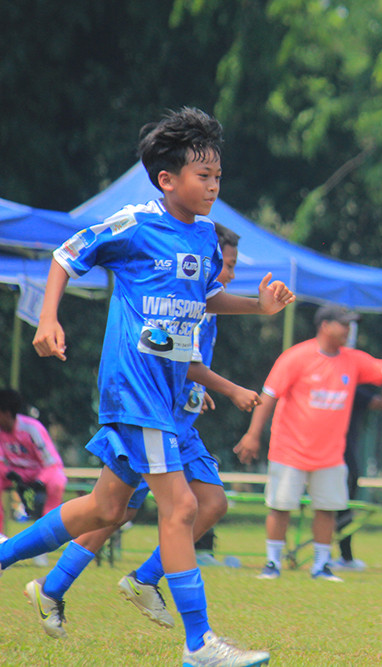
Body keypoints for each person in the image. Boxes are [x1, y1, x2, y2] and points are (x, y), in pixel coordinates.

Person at [11, 107, 294, 667]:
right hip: (135, 387)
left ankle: (8, 558)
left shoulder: (209, 237)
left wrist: (254, 306)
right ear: (167, 180)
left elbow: (204, 299)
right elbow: (67, 256)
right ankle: (198, 644)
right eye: (202, 176)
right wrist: (48, 320)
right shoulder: (136, 223)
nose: (214, 186)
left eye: (218, 176)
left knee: (104, 507)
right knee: (184, 504)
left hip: (165, 394)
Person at [25, 222, 259, 640]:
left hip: (175, 420)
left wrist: (196, 387)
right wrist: (229, 388)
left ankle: (131, 580)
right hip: (149, 412)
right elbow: (165, 349)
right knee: (125, 509)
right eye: (227, 265)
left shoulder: (205, 308)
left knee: (198, 503)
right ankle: (186, 628)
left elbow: (183, 360)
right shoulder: (165, 280)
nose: (229, 273)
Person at [234, 304, 382, 582]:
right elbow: (268, 395)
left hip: (330, 455)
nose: (348, 329)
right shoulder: (296, 357)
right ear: (325, 325)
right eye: (344, 323)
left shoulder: (352, 360)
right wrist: (252, 434)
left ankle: (321, 565)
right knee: (280, 507)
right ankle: (272, 563)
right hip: (289, 450)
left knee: (327, 509)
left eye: (351, 323)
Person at [331, 380, 382, 572]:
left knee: (331, 509)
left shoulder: (351, 391)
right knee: (339, 510)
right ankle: (341, 557)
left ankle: (334, 556)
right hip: (343, 459)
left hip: (332, 458)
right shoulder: (351, 390)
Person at [0, 390, 67, 538]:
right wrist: (10, 474)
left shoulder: (32, 428)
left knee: (57, 480)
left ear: (7, 413)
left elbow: (51, 464)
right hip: (15, 472)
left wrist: (39, 483)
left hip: (40, 472)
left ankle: (46, 535)